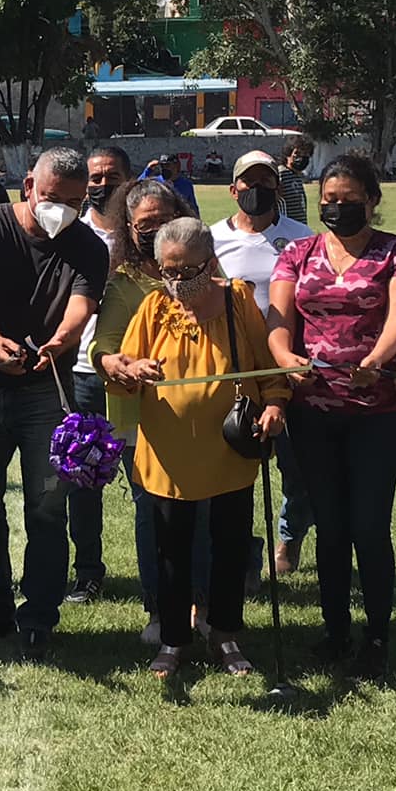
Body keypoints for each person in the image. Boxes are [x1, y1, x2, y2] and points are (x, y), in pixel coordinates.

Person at [267, 153, 396, 677]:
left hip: (377, 410)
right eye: (328, 201)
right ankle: (334, 631)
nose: (336, 210)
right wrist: (284, 358)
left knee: (369, 523)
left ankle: (377, 635)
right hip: (312, 410)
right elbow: (278, 319)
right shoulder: (297, 252)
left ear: (372, 201)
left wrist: (377, 360)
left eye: (349, 201)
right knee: (330, 525)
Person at [113, 216, 287, 679]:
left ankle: (225, 633)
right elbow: (125, 370)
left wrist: (273, 403)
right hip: (167, 454)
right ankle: (173, 639)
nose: (177, 281)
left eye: (187, 271)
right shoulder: (153, 307)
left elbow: (266, 365)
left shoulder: (237, 300)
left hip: (228, 450)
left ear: (210, 262)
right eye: (168, 271)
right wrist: (129, 372)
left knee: (229, 546)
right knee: (172, 550)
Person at [0, 146, 110, 661]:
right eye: (52, 198)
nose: (62, 210)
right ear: (28, 186)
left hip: (47, 392)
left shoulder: (88, 245)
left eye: (74, 200)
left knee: (47, 508)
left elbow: (82, 305)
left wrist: (60, 342)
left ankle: (39, 615)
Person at [91, 180, 194, 644]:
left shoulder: (205, 276)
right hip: (141, 426)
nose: (155, 233)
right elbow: (103, 348)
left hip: (200, 424)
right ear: (129, 231)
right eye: (144, 226)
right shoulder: (123, 284)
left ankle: (204, 610)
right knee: (153, 520)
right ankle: (159, 611)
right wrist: (117, 363)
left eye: (163, 222)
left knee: (204, 523)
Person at [209, 150, 314, 578]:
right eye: (248, 184)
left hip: (292, 365)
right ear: (233, 190)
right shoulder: (211, 238)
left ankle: (288, 538)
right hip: (234, 369)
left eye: (265, 183)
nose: (257, 191)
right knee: (233, 466)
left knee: (298, 467)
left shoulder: (303, 238)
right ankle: (244, 551)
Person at [63, 144, 130, 603]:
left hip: (139, 376)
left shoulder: (146, 233)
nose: (102, 185)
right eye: (95, 177)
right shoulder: (70, 233)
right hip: (83, 373)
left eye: (112, 176)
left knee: (148, 480)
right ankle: (87, 571)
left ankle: (162, 568)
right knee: (82, 479)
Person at [276, 138, 313, 224]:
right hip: (287, 227)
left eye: (305, 154)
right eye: (297, 153)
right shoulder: (281, 173)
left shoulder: (296, 176)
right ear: (288, 154)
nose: (302, 157)